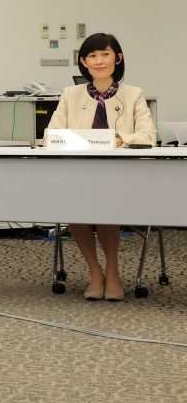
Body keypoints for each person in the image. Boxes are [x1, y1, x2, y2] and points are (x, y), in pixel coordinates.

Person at [46, 32, 156, 302]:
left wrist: (121, 139)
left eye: (105, 54)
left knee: (105, 203)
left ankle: (114, 272)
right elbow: (51, 135)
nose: (99, 61)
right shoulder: (71, 94)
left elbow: (148, 136)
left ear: (117, 58)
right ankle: (96, 273)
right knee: (77, 206)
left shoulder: (134, 95)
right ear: (83, 62)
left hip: (119, 174)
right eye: (92, 56)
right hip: (79, 172)